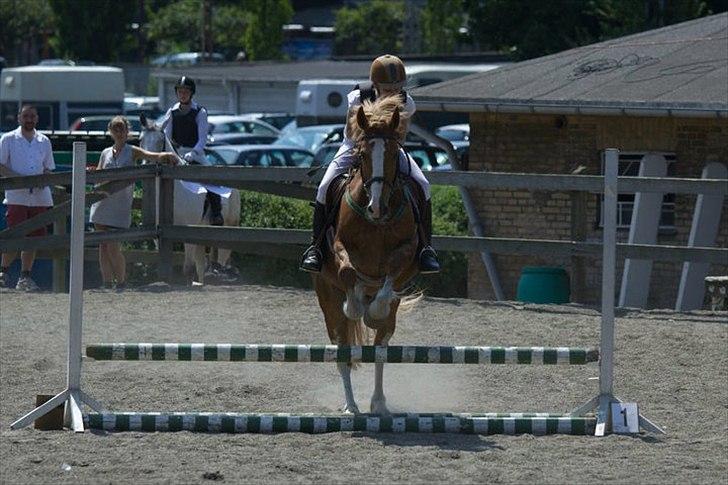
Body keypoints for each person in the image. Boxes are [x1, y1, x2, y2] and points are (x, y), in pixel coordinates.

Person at [299, 54, 440, 274]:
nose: (392, 92)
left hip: (389, 147)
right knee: (325, 186)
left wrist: (386, 148)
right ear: (375, 84)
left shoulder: (406, 102)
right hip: (355, 145)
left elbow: (401, 135)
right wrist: (364, 150)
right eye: (386, 88)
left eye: (396, 87)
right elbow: (349, 131)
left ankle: (426, 249)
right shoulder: (359, 96)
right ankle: (315, 248)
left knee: (423, 184)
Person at [90, 116, 176, 289]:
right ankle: (106, 282)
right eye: (115, 128)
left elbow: (151, 156)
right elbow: (98, 174)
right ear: (110, 131)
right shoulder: (105, 152)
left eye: (122, 128)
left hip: (120, 204)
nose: (119, 132)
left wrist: (166, 155)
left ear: (127, 131)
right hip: (102, 203)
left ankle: (121, 281)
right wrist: (92, 173)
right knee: (103, 246)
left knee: (114, 246)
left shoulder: (132, 151)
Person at [0, 105, 55, 291]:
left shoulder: (44, 140)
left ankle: (25, 276)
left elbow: (48, 167)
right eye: (25, 116)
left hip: (39, 196)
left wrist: (43, 178)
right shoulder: (8, 139)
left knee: (34, 237)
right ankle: (4, 272)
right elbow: (1, 165)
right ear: (19, 118)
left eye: (32, 116)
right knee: (15, 233)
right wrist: (19, 180)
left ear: (37, 118)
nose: (29, 119)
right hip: (17, 195)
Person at [159, 75, 224, 226]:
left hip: (196, 153)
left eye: (185, 91)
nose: (182, 94)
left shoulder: (200, 112)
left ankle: (216, 212)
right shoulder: (171, 112)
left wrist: (193, 153)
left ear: (191, 93)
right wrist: (172, 154)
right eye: (180, 91)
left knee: (210, 176)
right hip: (175, 153)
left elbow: (202, 139)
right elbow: (167, 137)